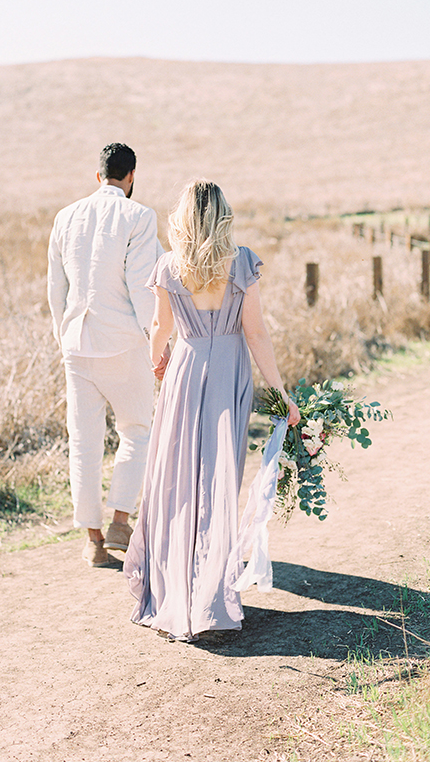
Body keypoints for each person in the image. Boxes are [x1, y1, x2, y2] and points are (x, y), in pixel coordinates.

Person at [123, 179, 300, 640]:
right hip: (229, 376)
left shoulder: (168, 265)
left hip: (185, 368)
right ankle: (211, 598)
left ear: (182, 217)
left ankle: (173, 592)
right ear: (223, 215)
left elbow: (160, 328)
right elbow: (256, 332)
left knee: (178, 479)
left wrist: (158, 361)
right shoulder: (240, 261)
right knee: (219, 480)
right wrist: (281, 393)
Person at [47, 144, 164, 567]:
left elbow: (55, 289)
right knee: (136, 431)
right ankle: (119, 519)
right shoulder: (140, 216)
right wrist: (159, 343)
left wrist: (64, 337)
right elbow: (141, 287)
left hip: (77, 343)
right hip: (124, 342)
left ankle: (93, 541)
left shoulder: (65, 216)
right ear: (131, 176)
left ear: (99, 176)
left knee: (84, 442)